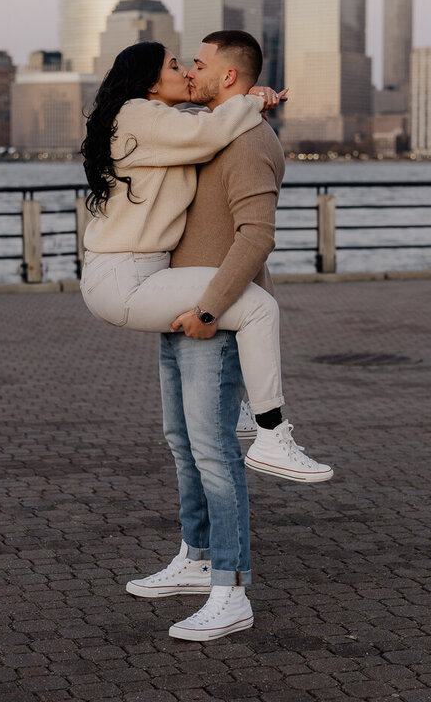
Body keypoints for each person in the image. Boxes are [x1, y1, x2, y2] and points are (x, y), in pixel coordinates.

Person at [79, 40, 331, 483]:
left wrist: (253, 102)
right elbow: (212, 131)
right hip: (124, 278)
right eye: (177, 66)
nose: (187, 74)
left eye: (193, 65)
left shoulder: (159, 119)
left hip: (135, 270)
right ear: (152, 83)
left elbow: (213, 120)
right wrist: (251, 101)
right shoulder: (139, 114)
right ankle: (271, 433)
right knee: (258, 307)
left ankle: (250, 416)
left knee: (251, 291)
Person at [121, 30, 292, 641]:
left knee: (215, 452)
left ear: (226, 77)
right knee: (182, 440)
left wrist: (212, 311)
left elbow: (256, 237)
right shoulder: (211, 124)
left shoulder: (246, 140)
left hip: (210, 318)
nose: (189, 71)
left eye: (198, 63)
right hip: (181, 306)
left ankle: (232, 587)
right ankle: (195, 558)